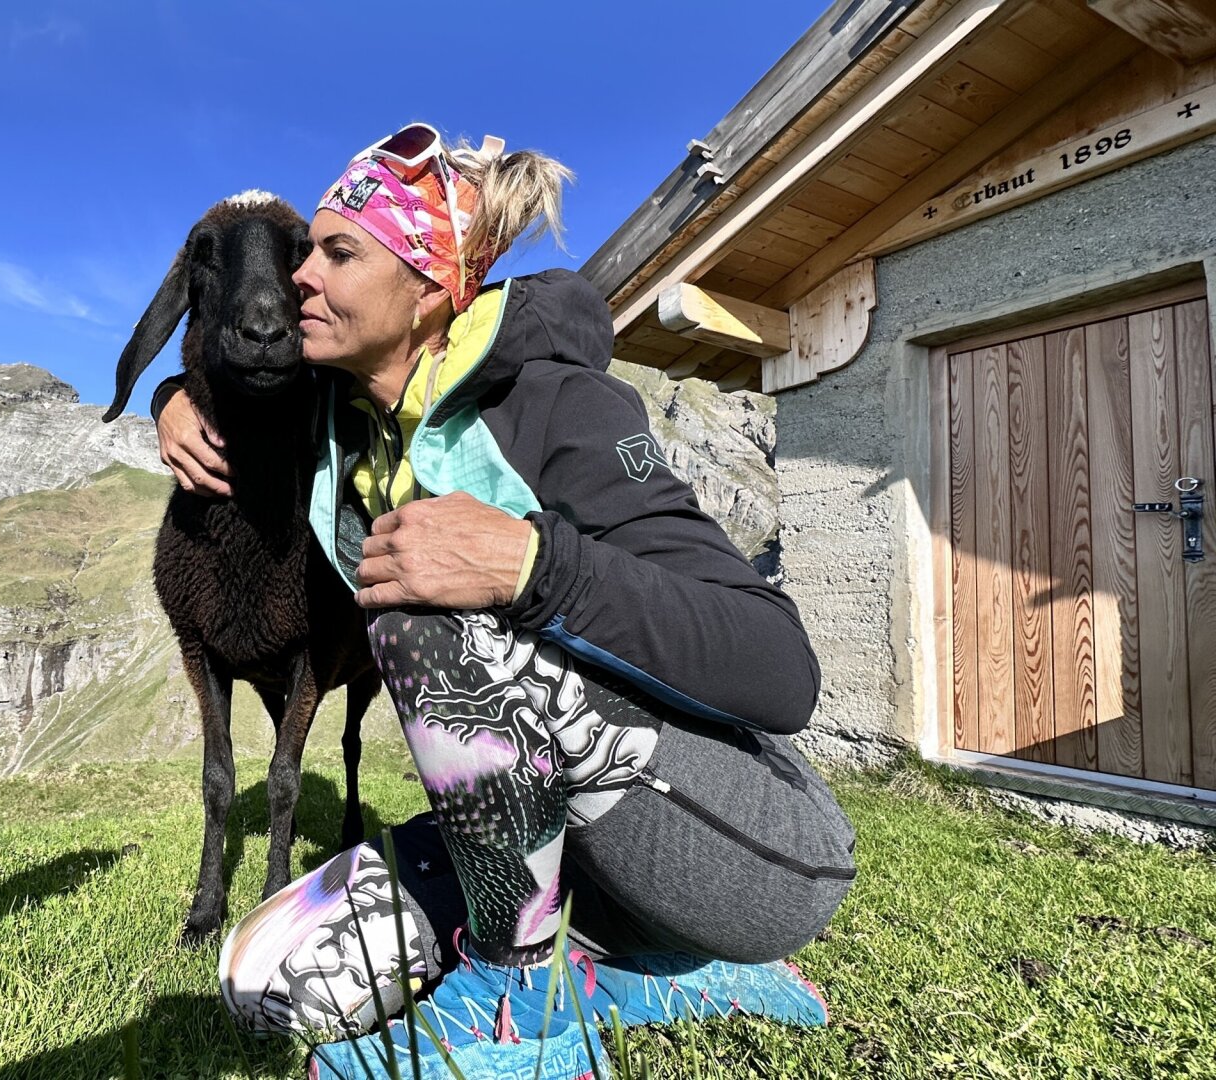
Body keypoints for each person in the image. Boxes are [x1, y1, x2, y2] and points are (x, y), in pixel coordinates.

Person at [150, 123, 858, 1080]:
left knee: (422, 597)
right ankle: (648, 975)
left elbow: (782, 670)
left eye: (336, 254)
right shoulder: (346, 420)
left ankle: (523, 1011)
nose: (298, 277)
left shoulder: (556, 407)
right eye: (304, 252)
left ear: (427, 288)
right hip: (558, 838)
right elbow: (239, 364)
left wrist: (532, 565)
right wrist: (170, 396)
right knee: (263, 977)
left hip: (746, 848)